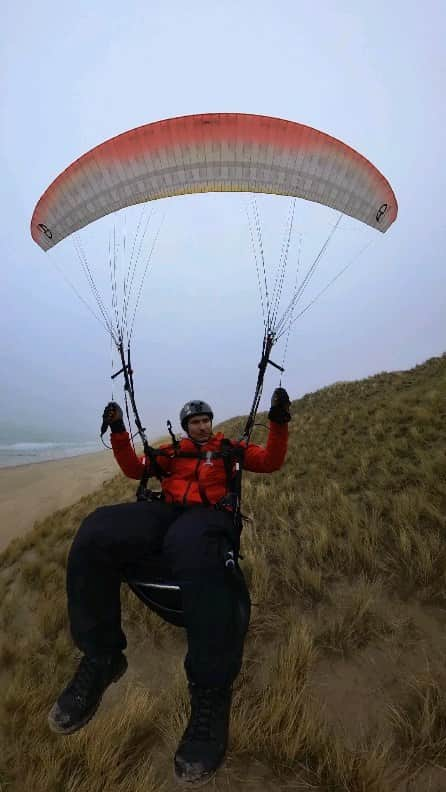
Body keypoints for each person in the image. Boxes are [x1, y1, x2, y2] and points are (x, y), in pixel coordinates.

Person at [48, 389, 291, 784]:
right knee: (96, 530)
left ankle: (211, 695)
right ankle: (101, 657)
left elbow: (272, 460)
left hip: (208, 517)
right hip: (168, 510)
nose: (202, 426)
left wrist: (279, 422)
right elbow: (133, 468)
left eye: (206, 420)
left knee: (190, 544)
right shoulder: (172, 455)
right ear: (185, 427)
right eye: (195, 422)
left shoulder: (228, 450)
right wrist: (118, 430)